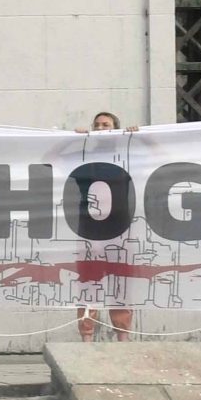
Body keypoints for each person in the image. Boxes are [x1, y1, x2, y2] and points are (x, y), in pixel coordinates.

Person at [74, 112, 137, 343]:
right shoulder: (83, 157)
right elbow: (49, 157)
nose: (101, 129)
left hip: (119, 230)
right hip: (89, 231)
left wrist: (140, 137)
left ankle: (123, 338)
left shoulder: (126, 155)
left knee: (120, 286)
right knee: (89, 285)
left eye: (106, 125)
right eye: (97, 125)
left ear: (115, 129)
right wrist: (74, 139)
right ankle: (87, 338)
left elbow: (160, 156)